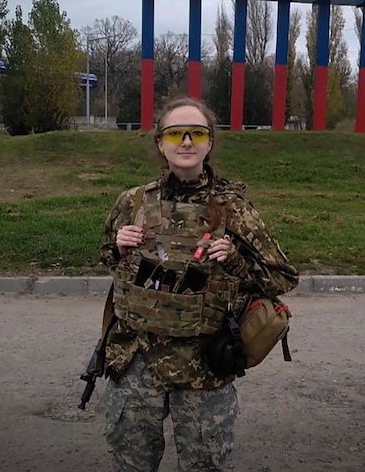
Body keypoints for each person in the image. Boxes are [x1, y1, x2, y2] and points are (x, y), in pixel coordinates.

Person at [99, 97, 298, 472]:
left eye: (197, 133)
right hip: (136, 363)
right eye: (175, 133)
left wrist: (235, 260)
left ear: (209, 143)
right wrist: (118, 246)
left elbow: (283, 276)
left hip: (203, 368)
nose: (186, 141)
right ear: (161, 143)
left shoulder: (233, 209)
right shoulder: (133, 201)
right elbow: (108, 259)